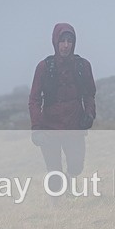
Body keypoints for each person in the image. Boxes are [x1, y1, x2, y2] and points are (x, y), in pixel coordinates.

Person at [29, 23, 96, 194]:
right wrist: (36, 129)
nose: (66, 45)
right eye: (62, 41)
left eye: (69, 41)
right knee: (54, 172)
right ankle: (57, 210)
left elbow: (89, 94)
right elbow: (34, 99)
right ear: (55, 42)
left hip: (75, 126)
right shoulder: (44, 67)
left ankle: (68, 184)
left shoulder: (83, 66)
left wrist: (89, 113)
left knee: (76, 166)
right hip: (49, 128)